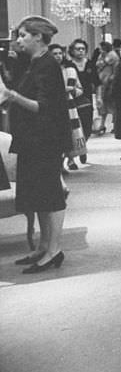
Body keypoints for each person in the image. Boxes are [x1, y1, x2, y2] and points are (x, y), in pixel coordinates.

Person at [0, 16, 71, 274]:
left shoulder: (47, 65)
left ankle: (54, 250)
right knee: (40, 195)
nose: (19, 40)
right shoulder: (34, 63)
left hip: (45, 140)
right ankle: (43, 246)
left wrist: (12, 96)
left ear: (38, 37)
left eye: (23, 35)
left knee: (50, 195)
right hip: (33, 140)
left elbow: (44, 107)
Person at [49, 43, 87, 172]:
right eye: (55, 54)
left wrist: (72, 90)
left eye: (60, 53)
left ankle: (70, 159)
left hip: (69, 106)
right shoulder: (46, 71)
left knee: (72, 132)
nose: (58, 56)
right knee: (57, 133)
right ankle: (59, 163)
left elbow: (80, 89)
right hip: (53, 106)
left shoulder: (70, 70)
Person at [68, 38, 96, 162]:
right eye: (77, 49)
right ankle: (72, 156)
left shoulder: (90, 64)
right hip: (71, 100)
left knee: (87, 127)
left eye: (83, 49)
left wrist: (99, 98)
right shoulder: (68, 65)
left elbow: (97, 82)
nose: (80, 51)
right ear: (72, 51)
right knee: (73, 128)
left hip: (87, 100)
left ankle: (82, 145)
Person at [95, 40, 119, 135]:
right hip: (102, 82)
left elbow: (115, 69)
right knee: (102, 104)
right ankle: (102, 124)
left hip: (110, 83)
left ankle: (115, 125)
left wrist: (112, 79)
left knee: (112, 103)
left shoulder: (113, 56)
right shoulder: (101, 56)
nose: (99, 50)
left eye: (101, 48)